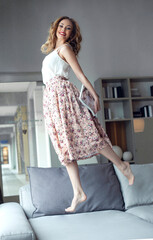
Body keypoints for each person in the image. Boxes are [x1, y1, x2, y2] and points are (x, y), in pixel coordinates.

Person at [41, 16, 134, 213]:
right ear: (55, 28)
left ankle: (121, 165)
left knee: (90, 136)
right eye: (61, 26)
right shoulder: (52, 51)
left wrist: (95, 95)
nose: (63, 30)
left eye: (68, 28)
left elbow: (80, 74)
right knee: (64, 148)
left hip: (63, 97)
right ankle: (78, 192)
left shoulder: (65, 49)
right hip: (51, 100)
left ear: (72, 33)